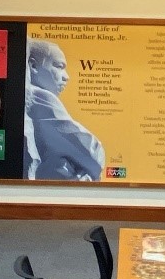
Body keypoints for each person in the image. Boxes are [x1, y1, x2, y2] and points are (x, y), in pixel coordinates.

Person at [23, 38, 104, 181]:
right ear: (33, 66)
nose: (66, 77)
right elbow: (93, 154)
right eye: (59, 66)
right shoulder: (39, 96)